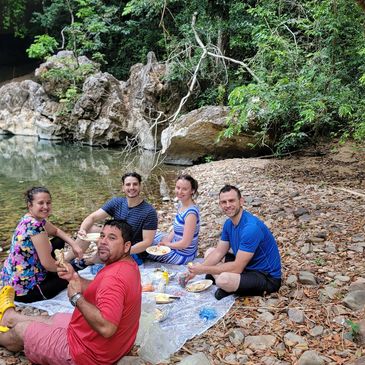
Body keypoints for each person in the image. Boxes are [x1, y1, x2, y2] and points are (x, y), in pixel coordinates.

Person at [0, 219, 142, 365]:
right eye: (102, 235)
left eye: (112, 238)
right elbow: (100, 289)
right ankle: (10, 317)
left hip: (86, 354)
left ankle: (2, 337)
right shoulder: (128, 265)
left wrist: (76, 298)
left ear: (126, 246)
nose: (103, 242)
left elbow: (107, 328)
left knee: (20, 330)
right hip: (109, 345)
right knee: (53, 319)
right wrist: (75, 278)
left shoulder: (114, 278)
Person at [187, 185, 282, 300]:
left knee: (223, 279)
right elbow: (218, 252)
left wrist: (203, 269)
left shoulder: (250, 228)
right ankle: (231, 285)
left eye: (231, 201)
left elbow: (237, 268)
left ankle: (228, 286)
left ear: (241, 201)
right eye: (223, 202)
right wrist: (197, 270)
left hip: (266, 277)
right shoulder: (229, 223)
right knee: (210, 252)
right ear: (220, 204)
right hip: (246, 266)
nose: (227, 205)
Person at [0, 187, 83, 303]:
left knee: (58, 240)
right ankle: (65, 271)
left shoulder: (30, 218)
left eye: (48, 203)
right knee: (74, 276)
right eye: (41, 203)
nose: (46, 207)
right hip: (26, 291)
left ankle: (59, 270)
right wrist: (67, 269)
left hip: (13, 281)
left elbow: (56, 231)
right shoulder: (35, 226)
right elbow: (47, 264)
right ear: (30, 205)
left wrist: (75, 245)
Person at [74, 172, 158, 266]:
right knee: (90, 229)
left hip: (132, 251)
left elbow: (147, 242)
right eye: (128, 184)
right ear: (123, 187)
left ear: (140, 186)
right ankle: (69, 259)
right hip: (115, 239)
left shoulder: (149, 212)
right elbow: (92, 217)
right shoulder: (116, 203)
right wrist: (82, 229)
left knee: (103, 250)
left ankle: (88, 262)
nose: (131, 187)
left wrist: (123, 251)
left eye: (135, 184)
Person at [147, 174, 200, 264]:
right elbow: (177, 229)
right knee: (151, 236)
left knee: (145, 250)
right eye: (178, 187)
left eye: (184, 189)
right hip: (176, 245)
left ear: (192, 191)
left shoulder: (191, 214)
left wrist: (167, 245)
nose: (179, 192)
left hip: (183, 255)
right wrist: (167, 239)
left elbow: (185, 244)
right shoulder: (181, 205)